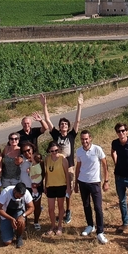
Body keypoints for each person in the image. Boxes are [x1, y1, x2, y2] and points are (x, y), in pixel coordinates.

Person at [43, 92, 83, 224]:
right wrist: (45, 105)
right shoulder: (56, 135)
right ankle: (59, 211)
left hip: (69, 165)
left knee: (68, 189)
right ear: (59, 127)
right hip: (56, 166)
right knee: (59, 187)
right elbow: (48, 121)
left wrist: (79, 105)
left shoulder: (72, 135)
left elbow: (77, 121)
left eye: (65, 124)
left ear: (68, 126)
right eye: (62, 124)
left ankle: (68, 210)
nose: (63, 125)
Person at [74, 130, 109, 244]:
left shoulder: (97, 149)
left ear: (90, 138)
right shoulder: (78, 151)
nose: (85, 141)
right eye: (83, 139)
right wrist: (76, 183)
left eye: (86, 139)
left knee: (98, 207)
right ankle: (90, 225)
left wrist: (106, 181)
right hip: (83, 182)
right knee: (86, 205)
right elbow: (78, 167)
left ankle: (100, 232)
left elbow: (104, 164)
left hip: (95, 182)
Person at [43, 141, 72, 236]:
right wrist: (45, 185)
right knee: (50, 208)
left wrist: (68, 187)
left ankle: (59, 225)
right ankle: (52, 225)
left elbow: (67, 175)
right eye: (52, 151)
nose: (54, 153)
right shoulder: (47, 159)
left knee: (60, 207)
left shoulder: (63, 159)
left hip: (61, 185)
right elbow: (46, 173)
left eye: (56, 150)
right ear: (49, 151)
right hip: (50, 186)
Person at [0, 182, 34, 248]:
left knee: (21, 221)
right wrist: (11, 219)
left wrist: (23, 216)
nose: (19, 197)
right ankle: (10, 230)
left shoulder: (26, 192)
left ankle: (19, 236)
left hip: (18, 213)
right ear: (14, 191)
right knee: (7, 242)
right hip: (6, 215)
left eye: (21, 196)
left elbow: (32, 207)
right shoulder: (6, 192)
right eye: (18, 196)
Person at [19, 142, 44, 231]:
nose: (27, 153)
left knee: (37, 205)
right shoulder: (22, 160)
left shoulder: (38, 159)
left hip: (36, 186)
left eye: (28, 150)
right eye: (24, 151)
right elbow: (16, 161)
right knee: (25, 206)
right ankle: (24, 222)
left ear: (32, 149)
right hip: (25, 187)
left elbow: (43, 173)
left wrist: (39, 183)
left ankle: (36, 221)